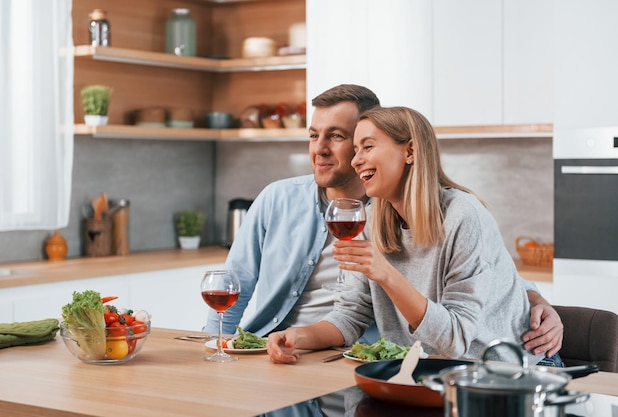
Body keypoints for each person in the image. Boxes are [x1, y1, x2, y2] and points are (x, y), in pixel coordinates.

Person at [205, 85, 562, 360]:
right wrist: (297, 337)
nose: (356, 160)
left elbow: (461, 329)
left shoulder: (461, 215)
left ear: (409, 152)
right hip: (418, 371)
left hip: (497, 375)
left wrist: (535, 297)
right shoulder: (373, 217)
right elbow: (350, 315)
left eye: (362, 145)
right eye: (314, 135)